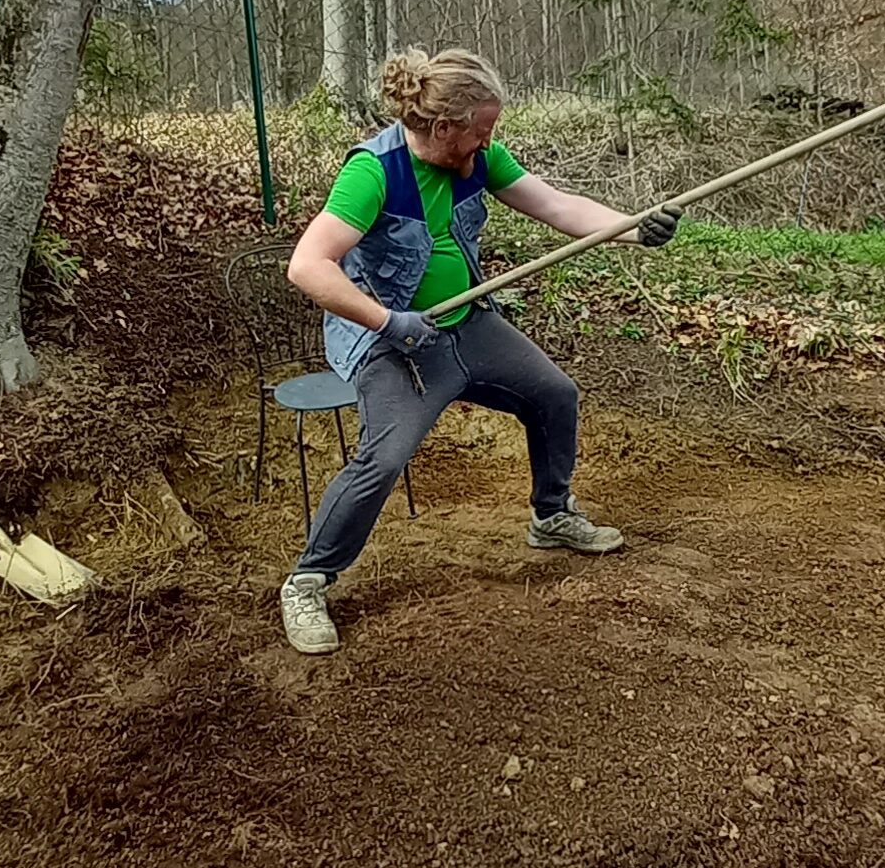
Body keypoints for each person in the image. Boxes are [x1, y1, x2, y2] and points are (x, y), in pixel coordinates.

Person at [280, 47, 682, 654]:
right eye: (481, 130)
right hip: (397, 345)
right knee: (384, 458)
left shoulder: (475, 158)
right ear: (444, 127)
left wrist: (631, 227)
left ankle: (552, 515)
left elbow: (555, 206)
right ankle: (307, 581)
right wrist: (391, 322)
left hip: (468, 326)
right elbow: (308, 266)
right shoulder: (374, 173)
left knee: (554, 395)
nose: (488, 143)